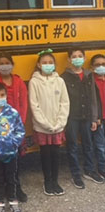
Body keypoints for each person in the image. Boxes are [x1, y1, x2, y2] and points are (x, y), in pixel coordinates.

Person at [0, 52, 28, 202]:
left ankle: (16, 188)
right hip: (1, 130)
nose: (5, 66)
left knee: (15, 162)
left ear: (12, 64)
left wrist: (19, 123)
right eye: (1, 63)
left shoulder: (18, 81)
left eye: (7, 63)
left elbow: (24, 103)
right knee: (0, 162)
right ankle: (2, 189)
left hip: (16, 129)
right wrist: (2, 130)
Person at [28, 49, 69, 196]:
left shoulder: (60, 81)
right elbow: (34, 105)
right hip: (42, 127)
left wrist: (60, 123)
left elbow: (65, 103)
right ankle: (47, 182)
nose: (47, 65)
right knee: (45, 155)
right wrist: (45, 124)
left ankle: (55, 181)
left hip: (58, 126)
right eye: (44, 63)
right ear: (38, 65)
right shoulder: (34, 82)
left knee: (56, 154)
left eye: (50, 62)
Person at [61, 49, 103, 189]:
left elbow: (94, 97)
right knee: (72, 146)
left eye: (80, 56)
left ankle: (89, 170)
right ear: (69, 59)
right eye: (74, 56)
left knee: (88, 144)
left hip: (87, 116)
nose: (77, 59)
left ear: (84, 58)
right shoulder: (64, 77)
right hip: (71, 117)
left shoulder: (89, 75)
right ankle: (76, 174)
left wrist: (95, 117)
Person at [0, 82, 25, 212]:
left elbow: (20, 131)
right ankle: (0, 202)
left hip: (11, 153)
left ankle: (13, 201)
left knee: (11, 178)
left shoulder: (13, 113)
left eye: (2, 95)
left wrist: (14, 143)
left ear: (6, 96)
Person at [90, 54, 105, 178]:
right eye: (98, 65)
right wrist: (96, 117)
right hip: (100, 119)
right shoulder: (91, 81)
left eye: (103, 64)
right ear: (92, 67)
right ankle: (102, 168)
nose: (101, 67)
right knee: (100, 146)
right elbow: (93, 102)